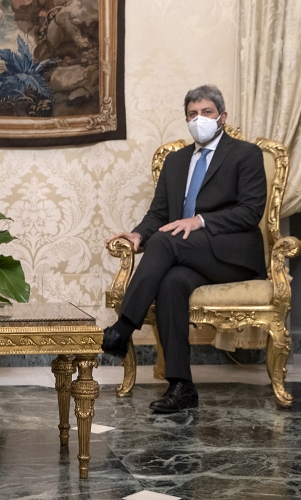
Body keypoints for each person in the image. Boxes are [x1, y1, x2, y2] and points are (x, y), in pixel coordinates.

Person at [103, 85, 267, 414]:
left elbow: (251, 212)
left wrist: (200, 220)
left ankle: (123, 328)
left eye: (206, 112)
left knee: (165, 240)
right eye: (192, 114)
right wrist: (137, 235)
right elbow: (159, 215)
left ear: (222, 117)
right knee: (171, 282)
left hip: (232, 257)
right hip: (188, 256)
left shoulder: (245, 154)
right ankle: (181, 386)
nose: (198, 119)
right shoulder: (176, 161)